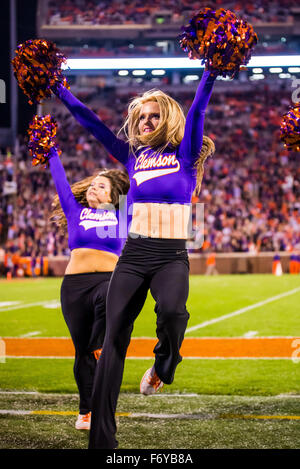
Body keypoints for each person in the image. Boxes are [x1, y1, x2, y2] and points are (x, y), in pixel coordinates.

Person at [52, 68, 216, 448]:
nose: (145, 121)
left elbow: (198, 110)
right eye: (140, 116)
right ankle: (102, 442)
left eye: (154, 115)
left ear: (168, 118)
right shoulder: (132, 155)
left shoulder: (185, 152)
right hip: (134, 254)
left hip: (171, 255)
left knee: (174, 313)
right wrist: (59, 89)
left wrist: (211, 68)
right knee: (112, 342)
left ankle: (163, 366)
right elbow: (91, 122)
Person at [47, 146, 130, 430]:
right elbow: (59, 180)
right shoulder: (75, 211)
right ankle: (86, 411)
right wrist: (51, 151)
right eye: (92, 184)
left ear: (112, 195)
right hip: (74, 286)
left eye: (101, 185)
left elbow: (137, 181)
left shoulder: (122, 213)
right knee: (81, 352)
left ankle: (100, 342)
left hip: (107, 280)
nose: (94, 187)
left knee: (108, 298)